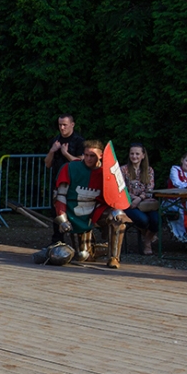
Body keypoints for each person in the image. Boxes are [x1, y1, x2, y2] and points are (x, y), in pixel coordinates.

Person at [54, 140, 128, 268]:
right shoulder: (70, 168)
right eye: (86, 155)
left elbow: (115, 195)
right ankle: (101, 248)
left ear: (101, 156)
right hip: (75, 212)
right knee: (83, 255)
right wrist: (63, 219)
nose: (88, 159)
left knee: (118, 216)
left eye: (92, 156)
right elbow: (60, 195)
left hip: (96, 210)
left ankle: (114, 257)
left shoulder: (107, 172)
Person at [44, 114, 85, 245]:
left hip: (73, 182)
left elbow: (81, 162)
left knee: (74, 209)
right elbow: (47, 164)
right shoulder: (55, 141)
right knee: (56, 210)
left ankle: (79, 242)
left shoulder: (79, 141)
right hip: (57, 180)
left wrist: (66, 154)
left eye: (65, 125)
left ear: (72, 125)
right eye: (60, 125)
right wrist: (52, 151)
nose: (62, 128)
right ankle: (57, 240)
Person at [120, 143, 159, 255]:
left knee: (156, 220)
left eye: (137, 154)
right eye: (132, 153)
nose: (134, 156)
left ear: (143, 155)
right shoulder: (123, 170)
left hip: (145, 203)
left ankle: (147, 239)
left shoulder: (149, 170)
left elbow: (150, 189)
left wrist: (139, 198)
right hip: (129, 203)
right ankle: (148, 242)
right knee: (143, 220)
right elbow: (122, 188)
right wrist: (134, 198)